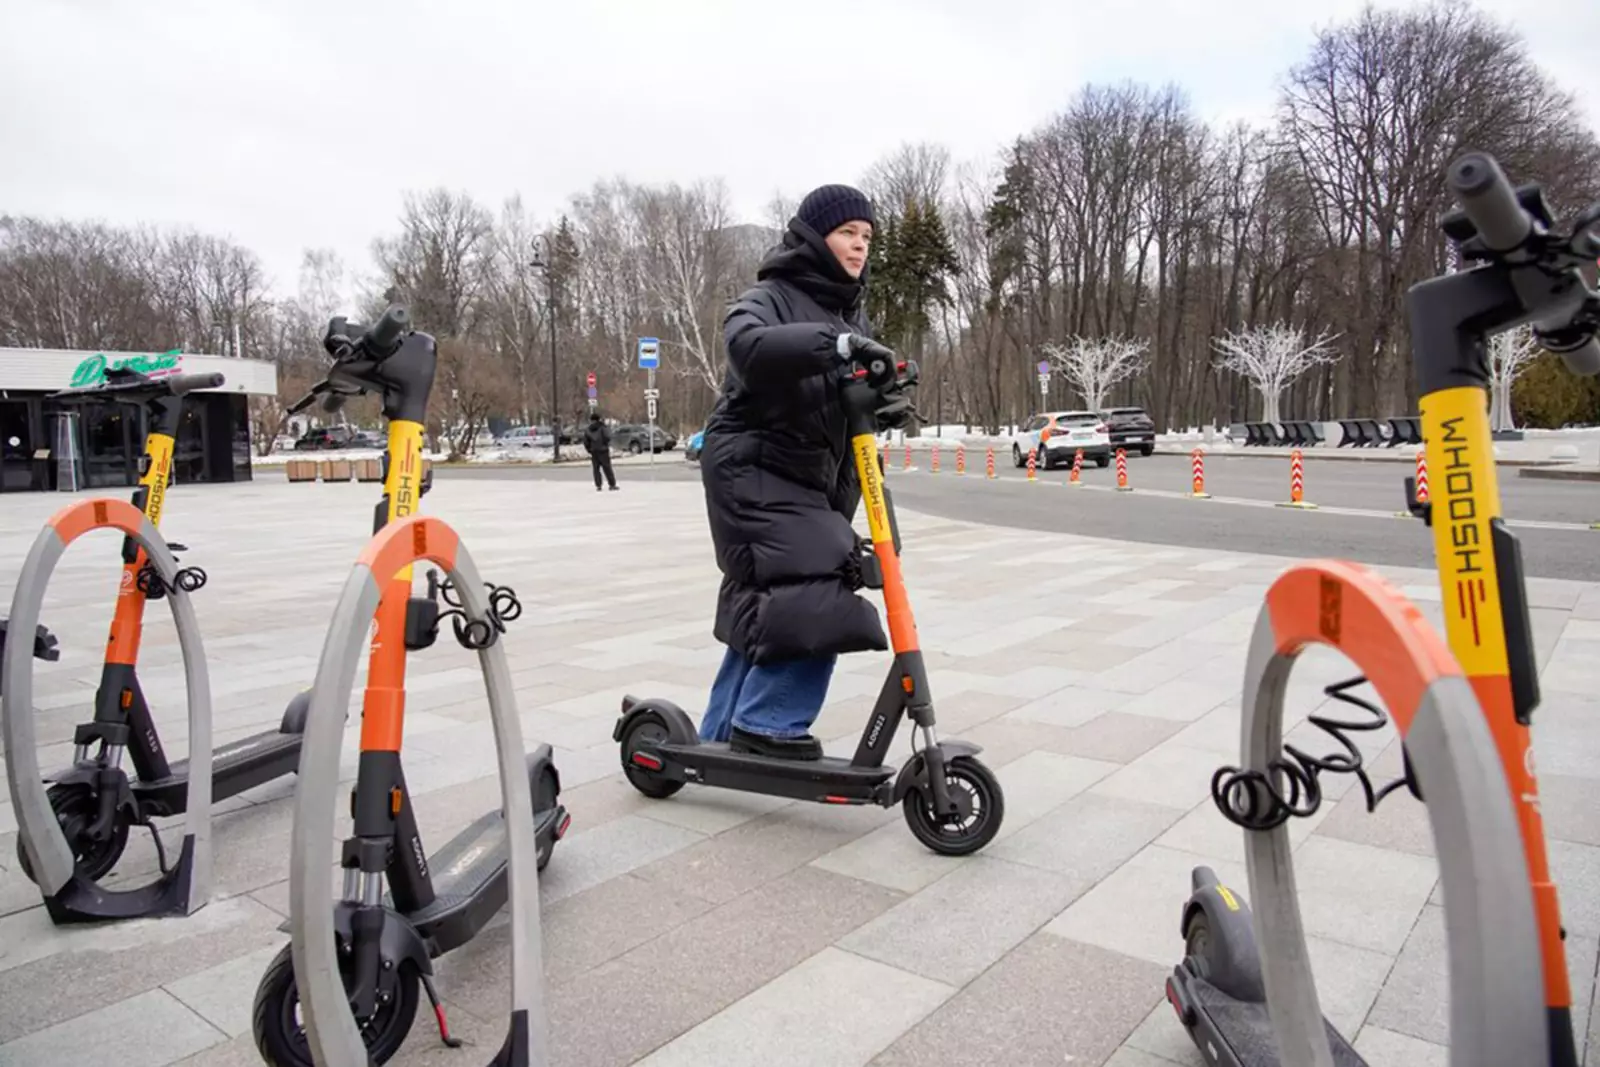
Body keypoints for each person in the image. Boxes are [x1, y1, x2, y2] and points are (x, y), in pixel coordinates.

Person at [696, 184, 899, 761]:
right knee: (822, 585)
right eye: (846, 234)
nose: (859, 247)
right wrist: (836, 346)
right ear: (814, 237)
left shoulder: (847, 312)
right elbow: (747, 348)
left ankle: (719, 735)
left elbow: (840, 430)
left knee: (774, 596)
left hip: (800, 479)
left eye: (866, 237)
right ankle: (768, 723)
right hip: (753, 465)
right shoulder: (770, 295)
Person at [583, 412, 618, 491]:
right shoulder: (602, 427)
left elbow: (585, 442)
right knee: (607, 468)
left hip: (594, 451)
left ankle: (598, 485)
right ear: (598, 419)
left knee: (596, 469)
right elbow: (608, 437)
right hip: (603, 451)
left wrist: (590, 449)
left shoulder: (588, 429)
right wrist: (605, 444)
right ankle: (612, 484)